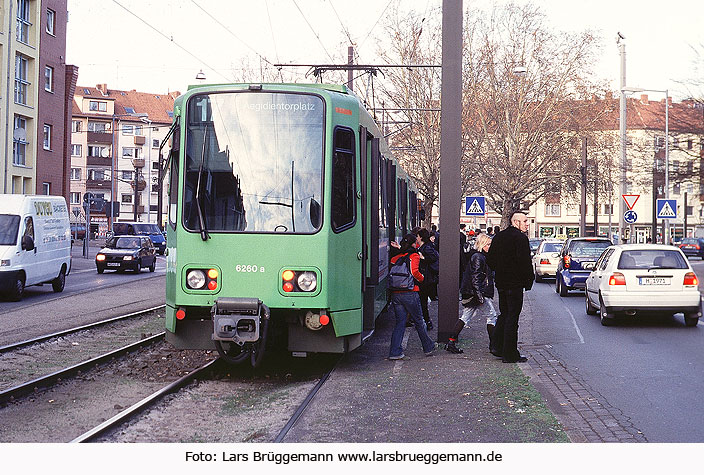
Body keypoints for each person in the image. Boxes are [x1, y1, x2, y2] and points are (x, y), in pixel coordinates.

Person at [486, 212, 533, 363]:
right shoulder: (520, 239)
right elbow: (525, 262)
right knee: (513, 317)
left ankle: (497, 346)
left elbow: (491, 260)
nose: (527, 224)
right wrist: (527, 280)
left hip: (501, 282)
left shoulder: (499, 237)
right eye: (525, 221)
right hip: (515, 284)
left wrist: (500, 272)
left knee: (505, 314)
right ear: (516, 222)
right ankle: (509, 353)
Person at [388, 234, 437, 360]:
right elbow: (414, 271)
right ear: (413, 244)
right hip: (410, 292)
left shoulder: (395, 258)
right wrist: (422, 278)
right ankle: (428, 347)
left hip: (396, 293)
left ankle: (395, 352)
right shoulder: (414, 256)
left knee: (400, 322)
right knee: (419, 321)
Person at [447, 233, 497, 354]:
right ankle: (494, 345)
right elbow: (476, 278)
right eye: (488, 244)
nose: (490, 247)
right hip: (477, 293)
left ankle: (451, 342)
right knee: (492, 316)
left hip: (471, 293)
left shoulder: (477, 256)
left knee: (465, 317)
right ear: (483, 244)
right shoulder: (479, 257)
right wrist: (480, 296)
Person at [415, 228, 439, 329]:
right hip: (426, 278)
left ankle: (427, 322)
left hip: (425, 278)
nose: (416, 238)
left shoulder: (426, 248)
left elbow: (433, 258)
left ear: (420, 237)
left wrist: (423, 258)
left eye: (417, 236)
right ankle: (426, 321)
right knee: (422, 301)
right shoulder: (425, 246)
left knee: (422, 301)